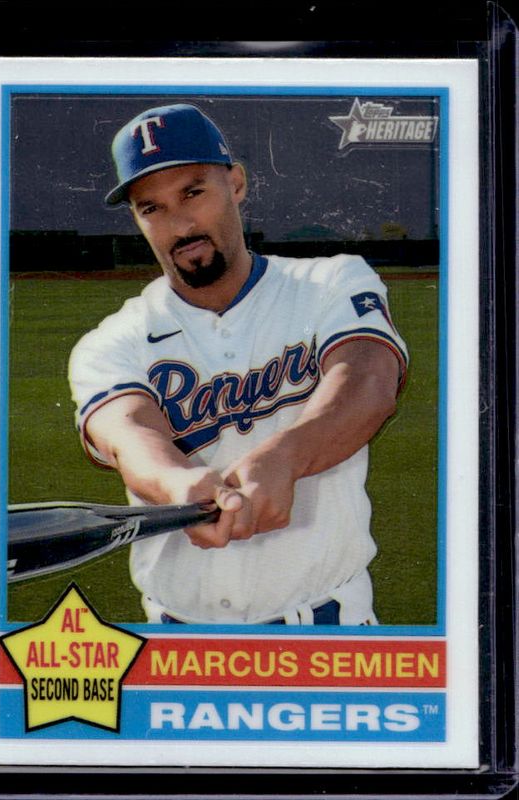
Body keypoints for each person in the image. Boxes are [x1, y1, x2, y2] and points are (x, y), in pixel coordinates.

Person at [69, 103, 408, 626]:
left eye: (193, 192)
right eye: (151, 207)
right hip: (176, 646)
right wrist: (175, 483)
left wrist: (285, 457)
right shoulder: (110, 342)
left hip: (327, 634)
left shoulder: (330, 283)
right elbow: (128, 433)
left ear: (236, 183)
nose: (180, 224)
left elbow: (367, 381)